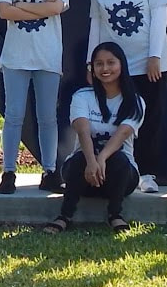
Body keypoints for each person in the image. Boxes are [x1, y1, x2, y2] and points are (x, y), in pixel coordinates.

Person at [87, 0, 167, 194]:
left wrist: (154, 56)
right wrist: (92, 62)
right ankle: (125, 170)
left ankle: (147, 174)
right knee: (119, 120)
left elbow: (160, 15)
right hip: (114, 67)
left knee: (150, 118)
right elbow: (96, 21)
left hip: (150, 63)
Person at [0, 0, 69, 195]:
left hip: (48, 54)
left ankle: (50, 171)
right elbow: (4, 11)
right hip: (15, 55)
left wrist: (21, 7)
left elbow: (59, 7)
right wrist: (41, 5)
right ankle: (8, 172)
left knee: (47, 116)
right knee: (13, 115)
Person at [42, 42, 145, 235]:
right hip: (84, 176)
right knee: (78, 159)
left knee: (120, 159)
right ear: (93, 69)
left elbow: (122, 134)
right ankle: (65, 216)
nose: (105, 69)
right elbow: (83, 131)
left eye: (111, 63)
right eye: (99, 64)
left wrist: (101, 159)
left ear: (122, 65)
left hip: (120, 179)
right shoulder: (82, 96)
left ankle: (115, 215)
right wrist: (91, 161)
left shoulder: (135, 101)